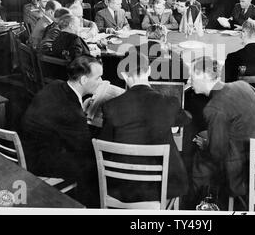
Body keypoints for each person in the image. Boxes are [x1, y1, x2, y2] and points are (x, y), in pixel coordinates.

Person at [98, 52, 190, 203]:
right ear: (149, 71)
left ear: (123, 74)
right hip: (164, 187)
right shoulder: (169, 103)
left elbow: (105, 141)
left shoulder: (111, 106)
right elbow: (186, 119)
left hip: (123, 188)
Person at [20, 56, 112, 207]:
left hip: (31, 149)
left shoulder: (56, 85)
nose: (101, 82)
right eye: (98, 78)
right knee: (96, 167)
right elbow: (87, 149)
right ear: (83, 80)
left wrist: (81, 107)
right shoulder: (72, 114)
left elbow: (60, 117)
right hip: (41, 163)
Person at [190, 56, 255, 204]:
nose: (190, 81)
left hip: (250, 176)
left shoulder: (213, 108)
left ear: (204, 76)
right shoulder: (243, 85)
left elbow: (217, 154)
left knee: (200, 160)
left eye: (192, 77)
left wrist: (207, 145)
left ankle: (201, 204)